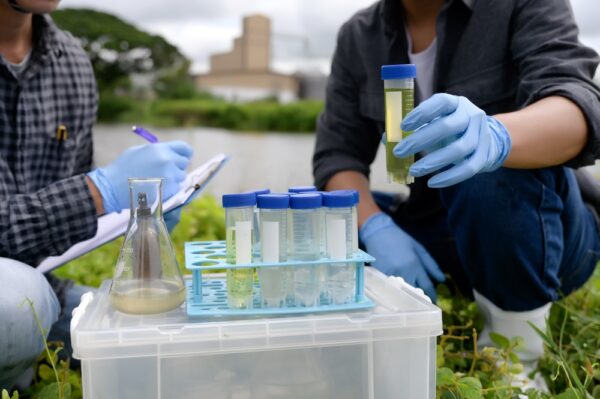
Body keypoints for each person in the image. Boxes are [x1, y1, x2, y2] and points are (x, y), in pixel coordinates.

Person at [313, 0, 600, 372]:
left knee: (483, 171)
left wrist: (498, 137)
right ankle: (392, 308)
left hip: (543, 229)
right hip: (439, 223)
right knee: (322, 216)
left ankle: (517, 359)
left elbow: (577, 105)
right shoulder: (358, 35)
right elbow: (338, 156)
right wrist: (374, 226)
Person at [0, 0, 193, 389]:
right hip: (15, 298)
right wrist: (98, 189)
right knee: (16, 310)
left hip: (41, 285)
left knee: (163, 343)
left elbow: (64, 211)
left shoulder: (71, 61)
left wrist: (139, 213)